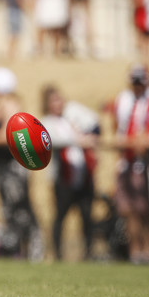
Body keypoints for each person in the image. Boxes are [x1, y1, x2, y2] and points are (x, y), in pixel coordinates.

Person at [0, 67, 44, 261]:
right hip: (3, 168)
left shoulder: (11, 105)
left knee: (20, 210)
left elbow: (9, 135)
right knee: (10, 210)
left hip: (13, 168)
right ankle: (19, 253)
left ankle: (33, 253)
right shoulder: (0, 105)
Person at [40, 85, 99, 260]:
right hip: (63, 178)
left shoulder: (71, 118)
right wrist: (79, 140)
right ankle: (57, 254)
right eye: (54, 100)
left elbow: (93, 123)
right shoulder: (46, 122)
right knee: (60, 216)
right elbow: (54, 141)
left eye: (60, 99)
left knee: (87, 216)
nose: (59, 104)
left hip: (83, 176)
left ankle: (89, 253)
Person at [112, 65, 149, 264]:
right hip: (126, 162)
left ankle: (148, 249)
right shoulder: (123, 100)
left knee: (145, 209)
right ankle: (135, 251)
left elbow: (148, 138)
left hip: (146, 164)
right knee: (128, 210)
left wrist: (137, 142)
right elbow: (118, 132)